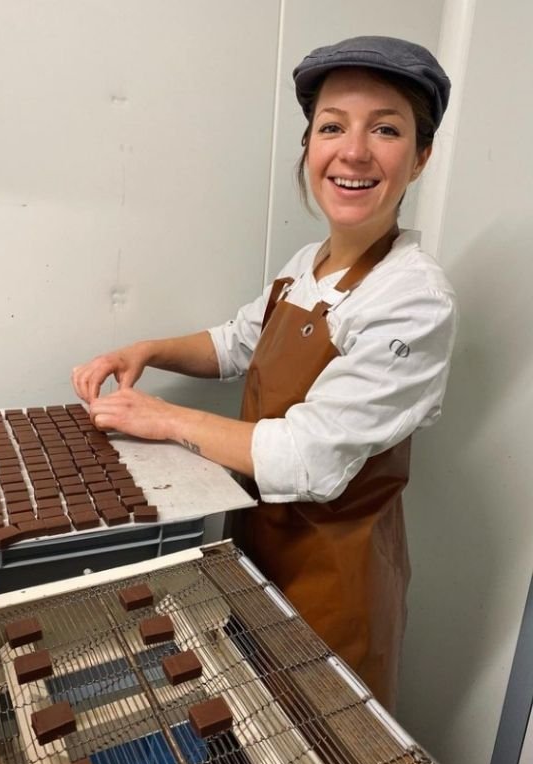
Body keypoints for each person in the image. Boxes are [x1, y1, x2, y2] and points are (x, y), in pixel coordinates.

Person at [71, 36, 456, 711]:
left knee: (324, 746)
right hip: (260, 555)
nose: (354, 150)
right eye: (332, 126)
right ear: (309, 146)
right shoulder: (309, 265)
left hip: (335, 587)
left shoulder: (412, 299)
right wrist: (149, 350)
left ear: (421, 156)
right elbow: (236, 342)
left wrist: (162, 418)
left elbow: (308, 458)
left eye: (386, 129)